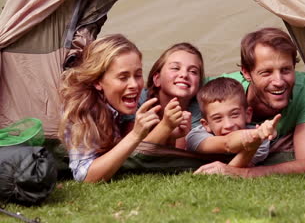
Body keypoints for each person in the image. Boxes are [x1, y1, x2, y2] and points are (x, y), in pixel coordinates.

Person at [194, 27, 305, 177]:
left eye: (286, 70)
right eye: (266, 72)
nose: (278, 81)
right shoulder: (215, 92)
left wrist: (244, 173)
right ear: (246, 73)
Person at [58, 34, 161, 182]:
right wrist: (135, 135)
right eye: (123, 77)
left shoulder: (129, 99)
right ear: (98, 81)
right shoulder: (80, 108)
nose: (134, 84)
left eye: (138, 75)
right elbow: (84, 176)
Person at [186, 77, 281, 167]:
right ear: (206, 124)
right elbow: (227, 143)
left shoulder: (262, 141)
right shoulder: (195, 136)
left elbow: (234, 170)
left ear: (247, 115)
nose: (228, 125)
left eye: (234, 115)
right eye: (218, 118)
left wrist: (262, 136)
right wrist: (256, 136)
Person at [141, 43, 204, 149]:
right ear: (157, 79)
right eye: (175, 68)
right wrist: (166, 127)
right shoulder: (140, 101)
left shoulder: (200, 111)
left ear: (198, 85)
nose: (184, 74)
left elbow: (179, 160)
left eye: (193, 71)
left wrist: (179, 135)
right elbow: (130, 154)